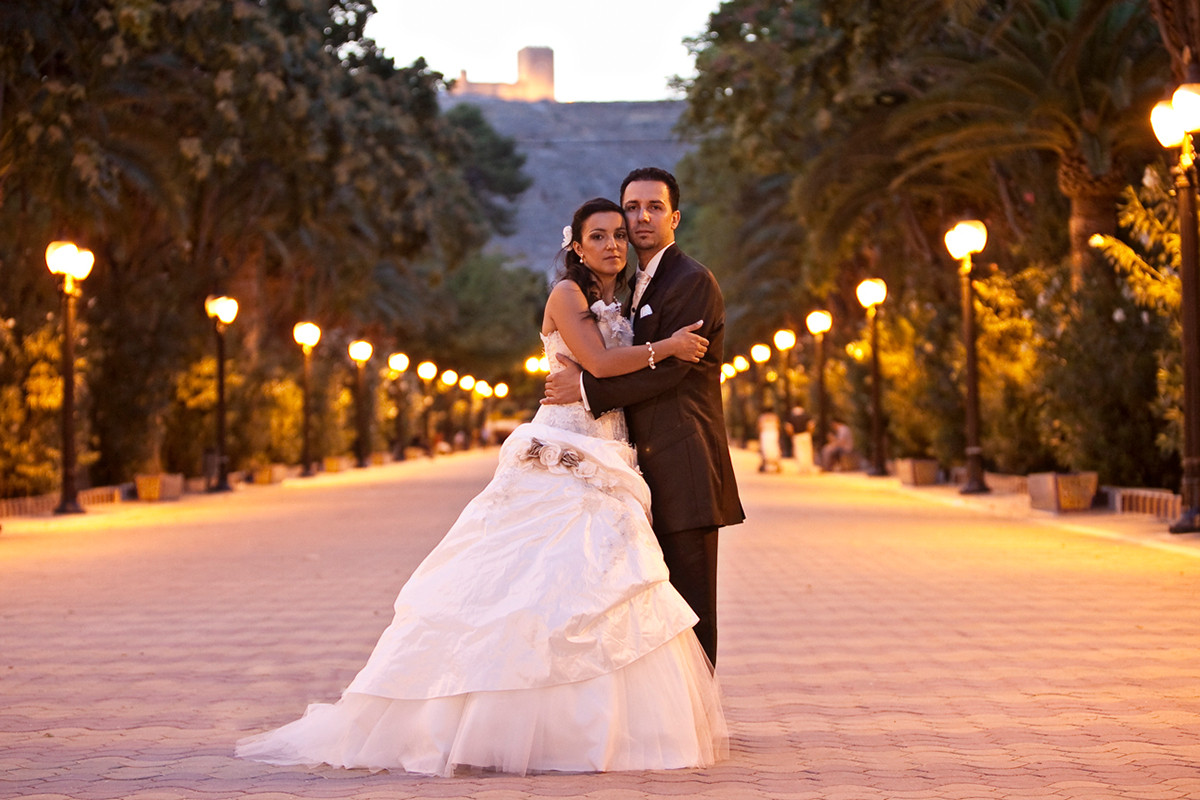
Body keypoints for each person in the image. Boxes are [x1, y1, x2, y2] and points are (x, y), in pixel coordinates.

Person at [235, 198, 728, 777]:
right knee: (531, 581)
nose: (614, 245)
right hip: (563, 451)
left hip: (609, 450)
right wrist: (665, 348)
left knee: (595, 584)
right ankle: (489, 721)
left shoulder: (616, 299)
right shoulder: (567, 295)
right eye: (599, 236)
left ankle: (592, 726)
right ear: (576, 246)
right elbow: (595, 359)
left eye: (619, 235)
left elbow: (601, 369)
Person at [543, 167, 745, 667]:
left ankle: (698, 724)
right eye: (631, 208)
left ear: (674, 217)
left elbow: (673, 370)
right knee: (648, 600)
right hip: (633, 466)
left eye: (654, 207)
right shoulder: (627, 288)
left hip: (684, 464)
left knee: (692, 603)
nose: (640, 218)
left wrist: (586, 389)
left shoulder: (690, 280)